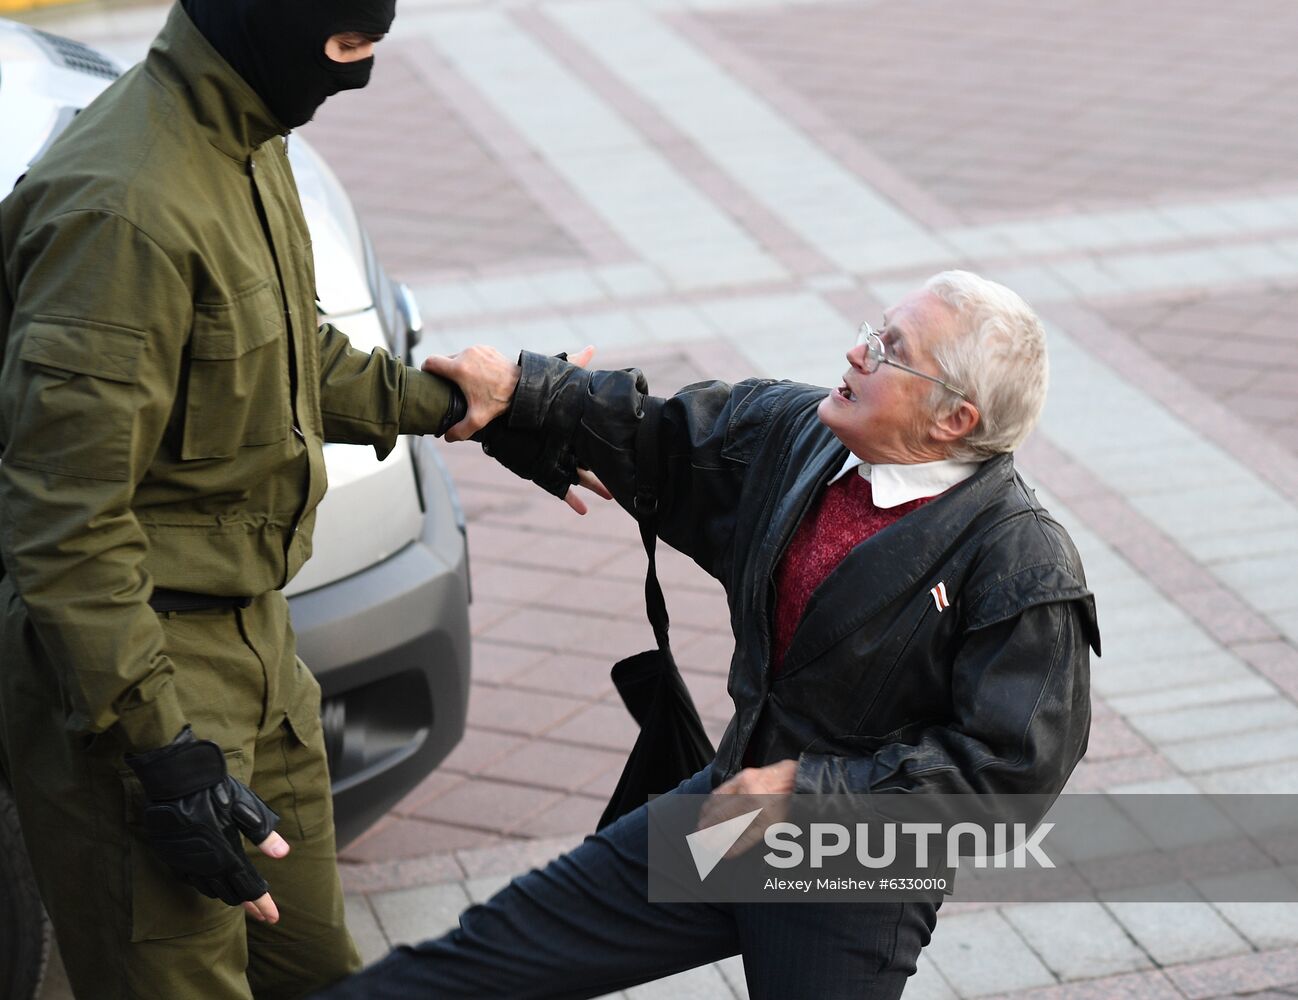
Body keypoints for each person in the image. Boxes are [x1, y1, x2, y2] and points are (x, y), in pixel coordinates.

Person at [311, 270, 1101, 999]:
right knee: (483, 957)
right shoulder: (803, 435)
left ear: (953, 418)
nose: (856, 350)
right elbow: (659, 435)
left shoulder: (1020, 560)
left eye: (891, 350)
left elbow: (1008, 778)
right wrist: (523, 391)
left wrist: (810, 799)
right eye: (874, 328)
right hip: (731, 808)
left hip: (844, 873)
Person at [0, 2, 466, 997]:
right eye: (345, 50)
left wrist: (467, 404)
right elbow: (65, 526)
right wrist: (163, 756)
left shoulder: (248, 136)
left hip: (262, 657)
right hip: (143, 688)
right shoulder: (121, 208)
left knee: (317, 975)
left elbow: (287, 357)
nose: (355, 76)